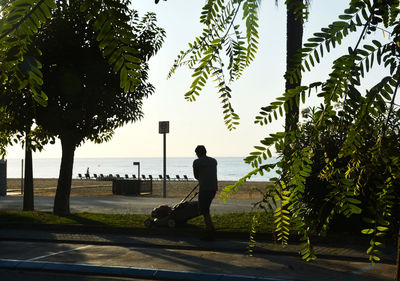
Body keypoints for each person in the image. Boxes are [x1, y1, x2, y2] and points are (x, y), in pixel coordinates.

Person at [193, 145, 218, 240]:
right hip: (213, 188)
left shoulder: (197, 162)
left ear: (197, 153)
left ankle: (210, 231)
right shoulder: (213, 161)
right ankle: (211, 229)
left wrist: (202, 178)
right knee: (206, 209)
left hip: (204, 188)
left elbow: (196, 176)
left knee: (204, 210)